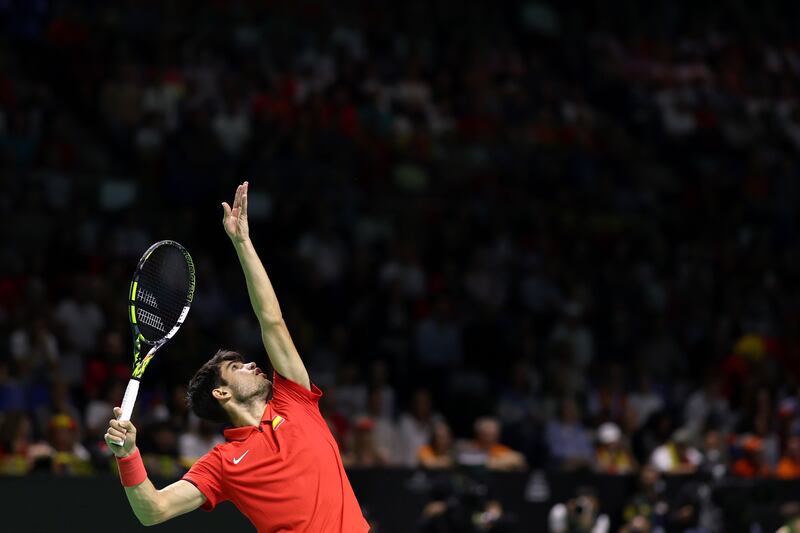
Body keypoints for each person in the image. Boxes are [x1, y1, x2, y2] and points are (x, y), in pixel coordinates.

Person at [103, 182, 369, 532]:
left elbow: (271, 321)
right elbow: (153, 510)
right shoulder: (223, 463)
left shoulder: (295, 401)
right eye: (236, 367)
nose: (251, 365)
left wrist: (243, 243)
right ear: (221, 392)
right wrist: (127, 456)